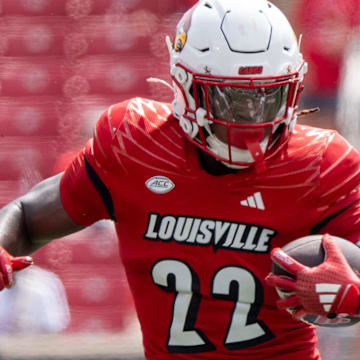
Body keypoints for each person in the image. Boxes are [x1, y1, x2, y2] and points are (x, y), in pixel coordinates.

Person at [1, 0, 360, 359]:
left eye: (269, 94)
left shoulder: (320, 164)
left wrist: (354, 294)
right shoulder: (135, 144)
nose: (253, 116)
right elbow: (29, 218)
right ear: (186, 85)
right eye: (232, 98)